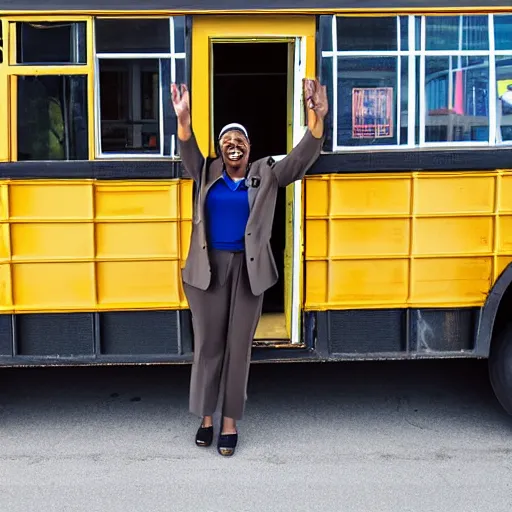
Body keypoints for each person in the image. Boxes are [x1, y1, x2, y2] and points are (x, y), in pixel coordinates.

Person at [171, 78, 328, 457]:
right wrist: (184, 118)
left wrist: (317, 118)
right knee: (208, 346)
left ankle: (230, 422)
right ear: (221, 149)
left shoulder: (266, 174)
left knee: (239, 348)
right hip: (207, 272)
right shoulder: (207, 173)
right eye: (227, 140)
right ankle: (206, 418)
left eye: (240, 139)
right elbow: (188, 152)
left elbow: (300, 159)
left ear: (250, 148)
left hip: (248, 273)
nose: (233, 144)